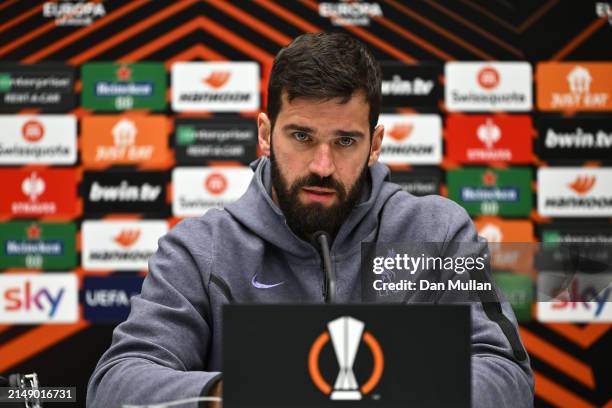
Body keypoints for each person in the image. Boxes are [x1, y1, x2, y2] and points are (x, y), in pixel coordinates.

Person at [87, 32, 534, 408]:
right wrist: (239, 393)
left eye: (345, 141)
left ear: (375, 143)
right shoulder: (201, 249)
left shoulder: (436, 233)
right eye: (302, 136)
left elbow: (506, 375)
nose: (322, 164)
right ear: (265, 134)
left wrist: (386, 391)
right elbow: (115, 384)